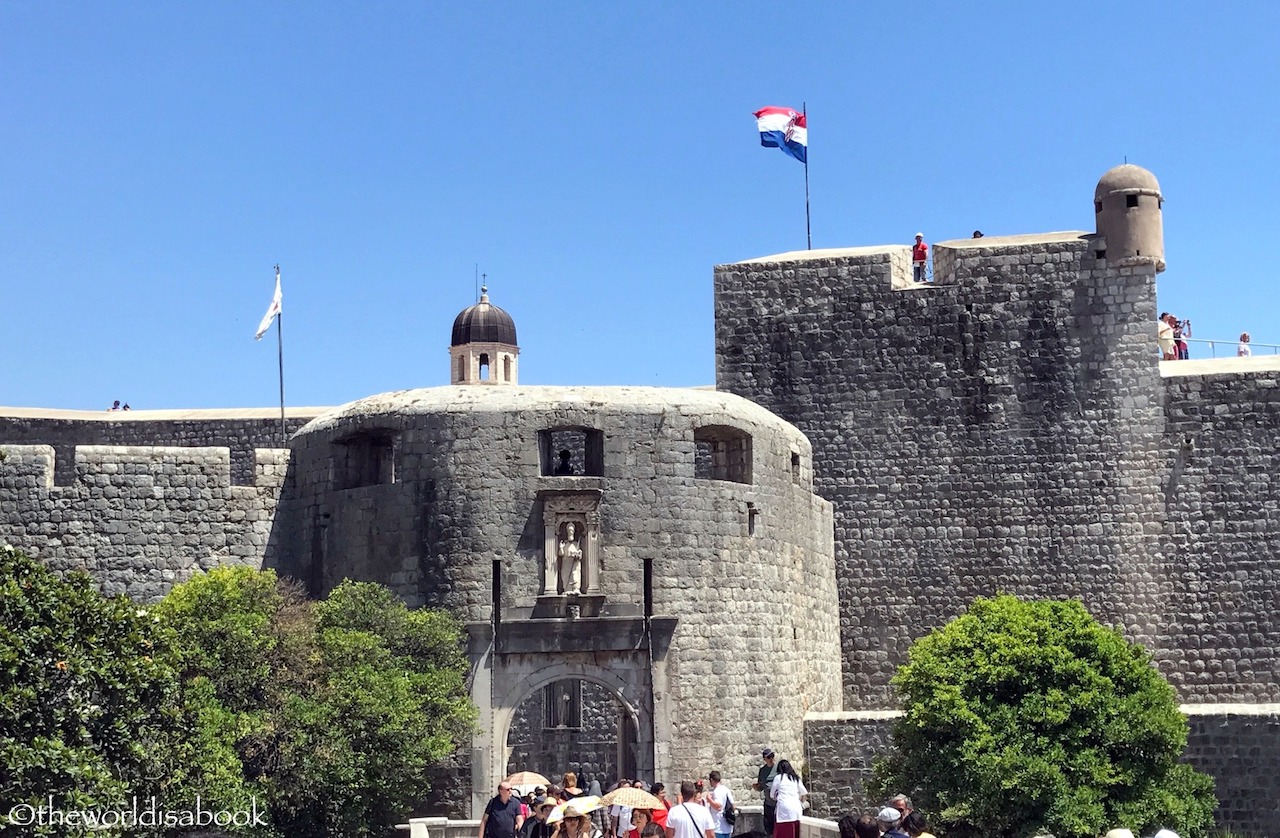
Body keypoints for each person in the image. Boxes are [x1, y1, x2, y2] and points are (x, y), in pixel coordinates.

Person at [768, 759, 807, 838]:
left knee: (783, 833)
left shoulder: (778, 778)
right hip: (796, 809)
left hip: (784, 810)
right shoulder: (796, 778)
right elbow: (804, 793)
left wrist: (778, 797)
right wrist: (800, 802)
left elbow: (772, 795)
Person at [753, 749, 778, 834]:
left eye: (772, 756)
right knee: (769, 829)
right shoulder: (762, 771)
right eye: (769, 757)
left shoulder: (778, 768)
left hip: (778, 804)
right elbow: (761, 787)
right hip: (768, 804)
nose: (771, 758)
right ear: (765, 759)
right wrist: (756, 787)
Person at [706, 770, 733, 838]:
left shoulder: (717, 791)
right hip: (727, 827)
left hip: (718, 827)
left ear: (712, 780)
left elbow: (718, 806)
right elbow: (733, 805)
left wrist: (709, 799)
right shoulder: (726, 789)